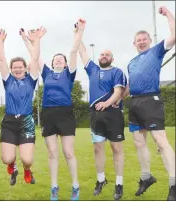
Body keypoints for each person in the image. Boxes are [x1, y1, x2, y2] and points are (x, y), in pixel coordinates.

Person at [20, 21, 81, 199]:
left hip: (65, 114)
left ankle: (75, 185)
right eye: (56, 58)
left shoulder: (69, 74)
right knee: (52, 153)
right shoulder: (46, 73)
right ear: (53, 62)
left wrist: (78, 32)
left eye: (61, 58)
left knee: (68, 152)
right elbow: (34, 55)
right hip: (48, 113)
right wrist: (26, 39)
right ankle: (54, 187)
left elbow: (73, 51)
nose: (59, 59)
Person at [121, 6, 175, 200]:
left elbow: (174, 34)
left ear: (150, 41)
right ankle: (146, 177)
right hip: (134, 103)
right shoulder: (131, 62)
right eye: (138, 40)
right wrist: (117, 98)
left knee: (160, 140)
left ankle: (174, 183)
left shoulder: (156, 51)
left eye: (144, 39)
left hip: (151, 100)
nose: (141, 42)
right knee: (138, 141)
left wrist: (168, 13)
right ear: (134, 43)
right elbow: (129, 86)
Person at [78, 21, 127, 200]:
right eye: (102, 54)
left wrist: (107, 104)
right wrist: (79, 32)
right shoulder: (92, 70)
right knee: (98, 148)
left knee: (116, 148)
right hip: (95, 114)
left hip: (113, 114)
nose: (104, 56)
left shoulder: (117, 72)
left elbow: (118, 92)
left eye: (107, 54)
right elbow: (82, 51)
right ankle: (101, 180)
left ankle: (119, 184)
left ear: (112, 58)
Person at [0, 27, 44, 186]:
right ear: (11, 69)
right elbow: (1, 59)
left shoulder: (31, 79)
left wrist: (36, 40)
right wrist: (0, 42)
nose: (17, 69)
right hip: (9, 122)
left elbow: (35, 59)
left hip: (26, 122)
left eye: (20, 67)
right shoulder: (8, 80)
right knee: (7, 158)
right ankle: (12, 166)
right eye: (14, 67)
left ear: (25, 68)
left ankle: (27, 170)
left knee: (27, 159)